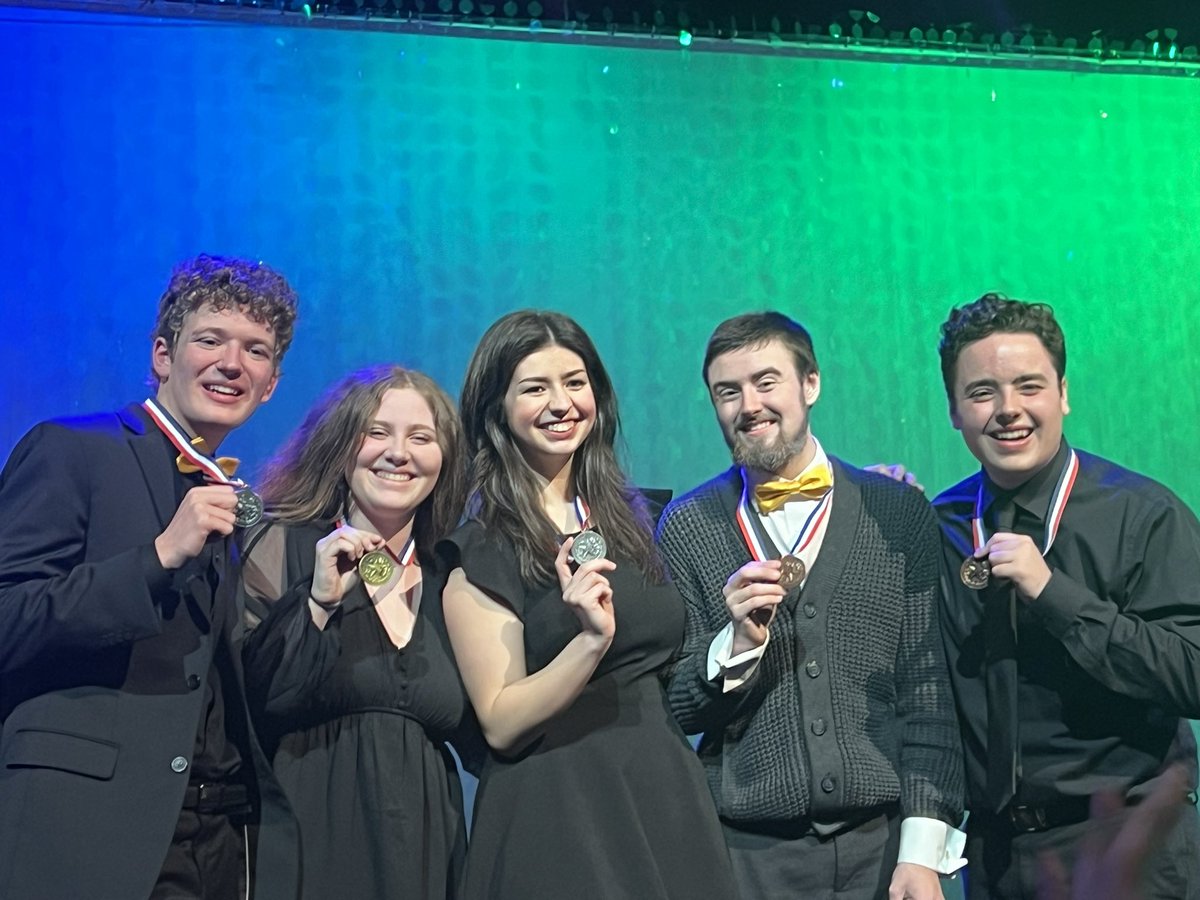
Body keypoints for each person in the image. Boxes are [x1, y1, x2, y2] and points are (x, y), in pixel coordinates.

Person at [0, 254, 301, 900]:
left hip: (212, 844)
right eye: (210, 340)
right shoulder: (73, 449)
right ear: (163, 355)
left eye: (256, 351)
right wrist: (158, 556)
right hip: (87, 829)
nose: (232, 363)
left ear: (271, 383)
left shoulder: (232, 497)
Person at [656, 311, 966, 900]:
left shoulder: (895, 512)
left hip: (884, 851)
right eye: (729, 391)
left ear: (811, 384)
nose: (749, 404)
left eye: (766, 382)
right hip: (747, 859)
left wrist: (923, 854)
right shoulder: (688, 526)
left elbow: (928, 692)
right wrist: (735, 647)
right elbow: (673, 706)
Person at [438, 309, 740, 900]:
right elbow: (500, 720)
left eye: (575, 383)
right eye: (534, 388)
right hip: (558, 810)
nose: (561, 403)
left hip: (662, 795)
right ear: (495, 407)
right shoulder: (481, 548)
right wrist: (589, 642)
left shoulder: (638, 520)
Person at [933, 293, 1200, 899]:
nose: (1008, 410)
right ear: (953, 410)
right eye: (982, 393)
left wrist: (1055, 596)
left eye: (1029, 386)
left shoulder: (1141, 515)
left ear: (1063, 393)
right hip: (996, 859)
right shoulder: (942, 525)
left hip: (1129, 847)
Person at [240, 364, 476, 900]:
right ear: (339, 445)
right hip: (307, 841)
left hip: (426, 850)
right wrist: (318, 602)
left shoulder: (450, 580)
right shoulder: (283, 545)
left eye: (422, 437)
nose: (399, 453)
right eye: (376, 432)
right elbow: (252, 701)